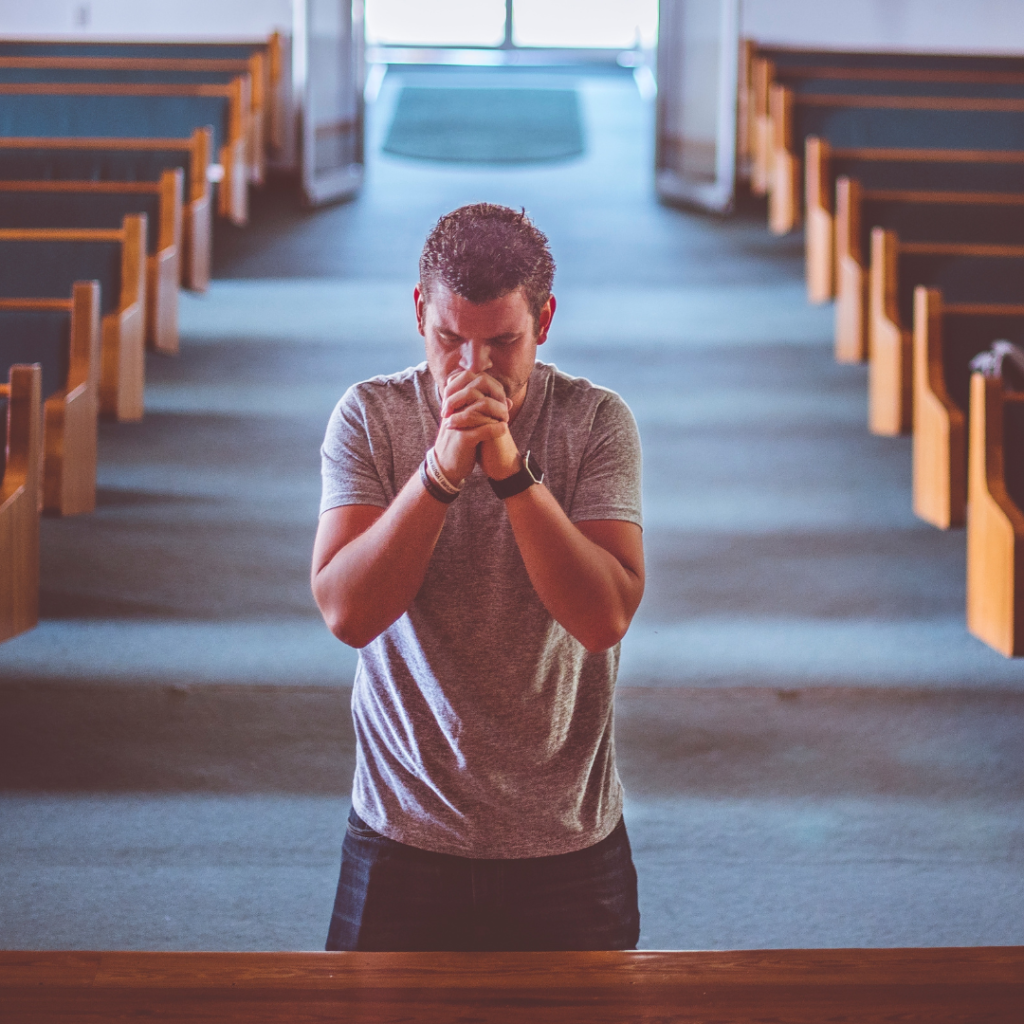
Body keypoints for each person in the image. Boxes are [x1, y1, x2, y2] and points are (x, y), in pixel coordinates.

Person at [312, 203, 645, 951]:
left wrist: (509, 471)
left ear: (545, 321)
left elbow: (603, 619)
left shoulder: (595, 422)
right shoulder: (370, 417)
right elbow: (348, 614)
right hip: (402, 831)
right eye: (449, 341)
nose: (473, 370)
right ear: (419, 313)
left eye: (503, 343)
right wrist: (437, 471)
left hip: (566, 840)